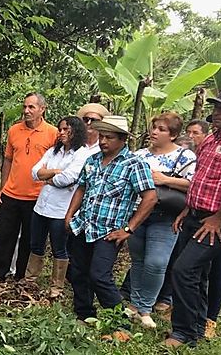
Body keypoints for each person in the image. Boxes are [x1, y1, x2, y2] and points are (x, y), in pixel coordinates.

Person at [166, 87, 221, 348]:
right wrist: (188, 208)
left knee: (184, 270)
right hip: (196, 214)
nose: (217, 112)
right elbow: (200, 179)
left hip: (218, 221)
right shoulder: (212, 138)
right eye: (216, 106)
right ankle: (196, 328)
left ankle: (182, 332)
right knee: (196, 274)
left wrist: (219, 217)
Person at [64, 115, 157, 322]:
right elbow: (81, 187)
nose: (103, 141)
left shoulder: (134, 164)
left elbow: (150, 198)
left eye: (110, 137)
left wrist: (129, 229)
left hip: (109, 231)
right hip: (83, 225)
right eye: (102, 136)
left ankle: (119, 321)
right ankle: (85, 314)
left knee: (99, 275)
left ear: (123, 139)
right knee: (77, 273)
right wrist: (70, 214)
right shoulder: (92, 160)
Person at [126, 112, 196, 329]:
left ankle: (146, 307)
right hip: (138, 214)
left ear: (173, 135)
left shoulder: (185, 157)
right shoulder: (138, 155)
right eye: (154, 127)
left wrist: (165, 179)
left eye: (161, 129)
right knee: (138, 261)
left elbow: (194, 184)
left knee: (156, 262)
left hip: (165, 216)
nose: (154, 132)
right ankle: (135, 305)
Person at [0, 93, 58, 279]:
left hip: (36, 196)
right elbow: (9, 160)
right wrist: (2, 187)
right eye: (25, 107)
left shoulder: (53, 133)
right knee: (3, 236)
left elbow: (56, 163)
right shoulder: (14, 130)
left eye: (31, 107)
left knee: (29, 239)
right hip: (11, 194)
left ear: (42, 109)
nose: (26, 111)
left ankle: (21, 276)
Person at [25, 116, 89, 298]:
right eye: (60, 129)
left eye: (65, 129)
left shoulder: (82, 154)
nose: (61, 133)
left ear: (75, 131)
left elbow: (68, 178)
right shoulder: (54, 151)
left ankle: (56, 287)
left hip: (61, 209)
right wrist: (53, 173)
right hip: (42, 205)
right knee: (35, 244)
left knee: (59, 247)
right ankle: (30, 280)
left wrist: (48, 177)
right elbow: (34, 172)